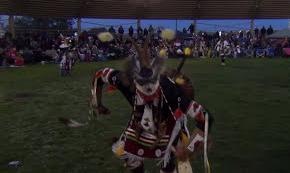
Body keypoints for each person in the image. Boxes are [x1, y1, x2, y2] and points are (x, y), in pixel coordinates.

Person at [90, 34, 214, 173]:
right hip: (139, 123)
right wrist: (98, 104)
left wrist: (188, 149)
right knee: (128, 154)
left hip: (169, 122)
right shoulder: (126, 82)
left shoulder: (171, 92)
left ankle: (168, 166)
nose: (148, 97)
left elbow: (205, 116)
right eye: (143, 94)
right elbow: (99, 74)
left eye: (152, 94)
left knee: (166, 162)